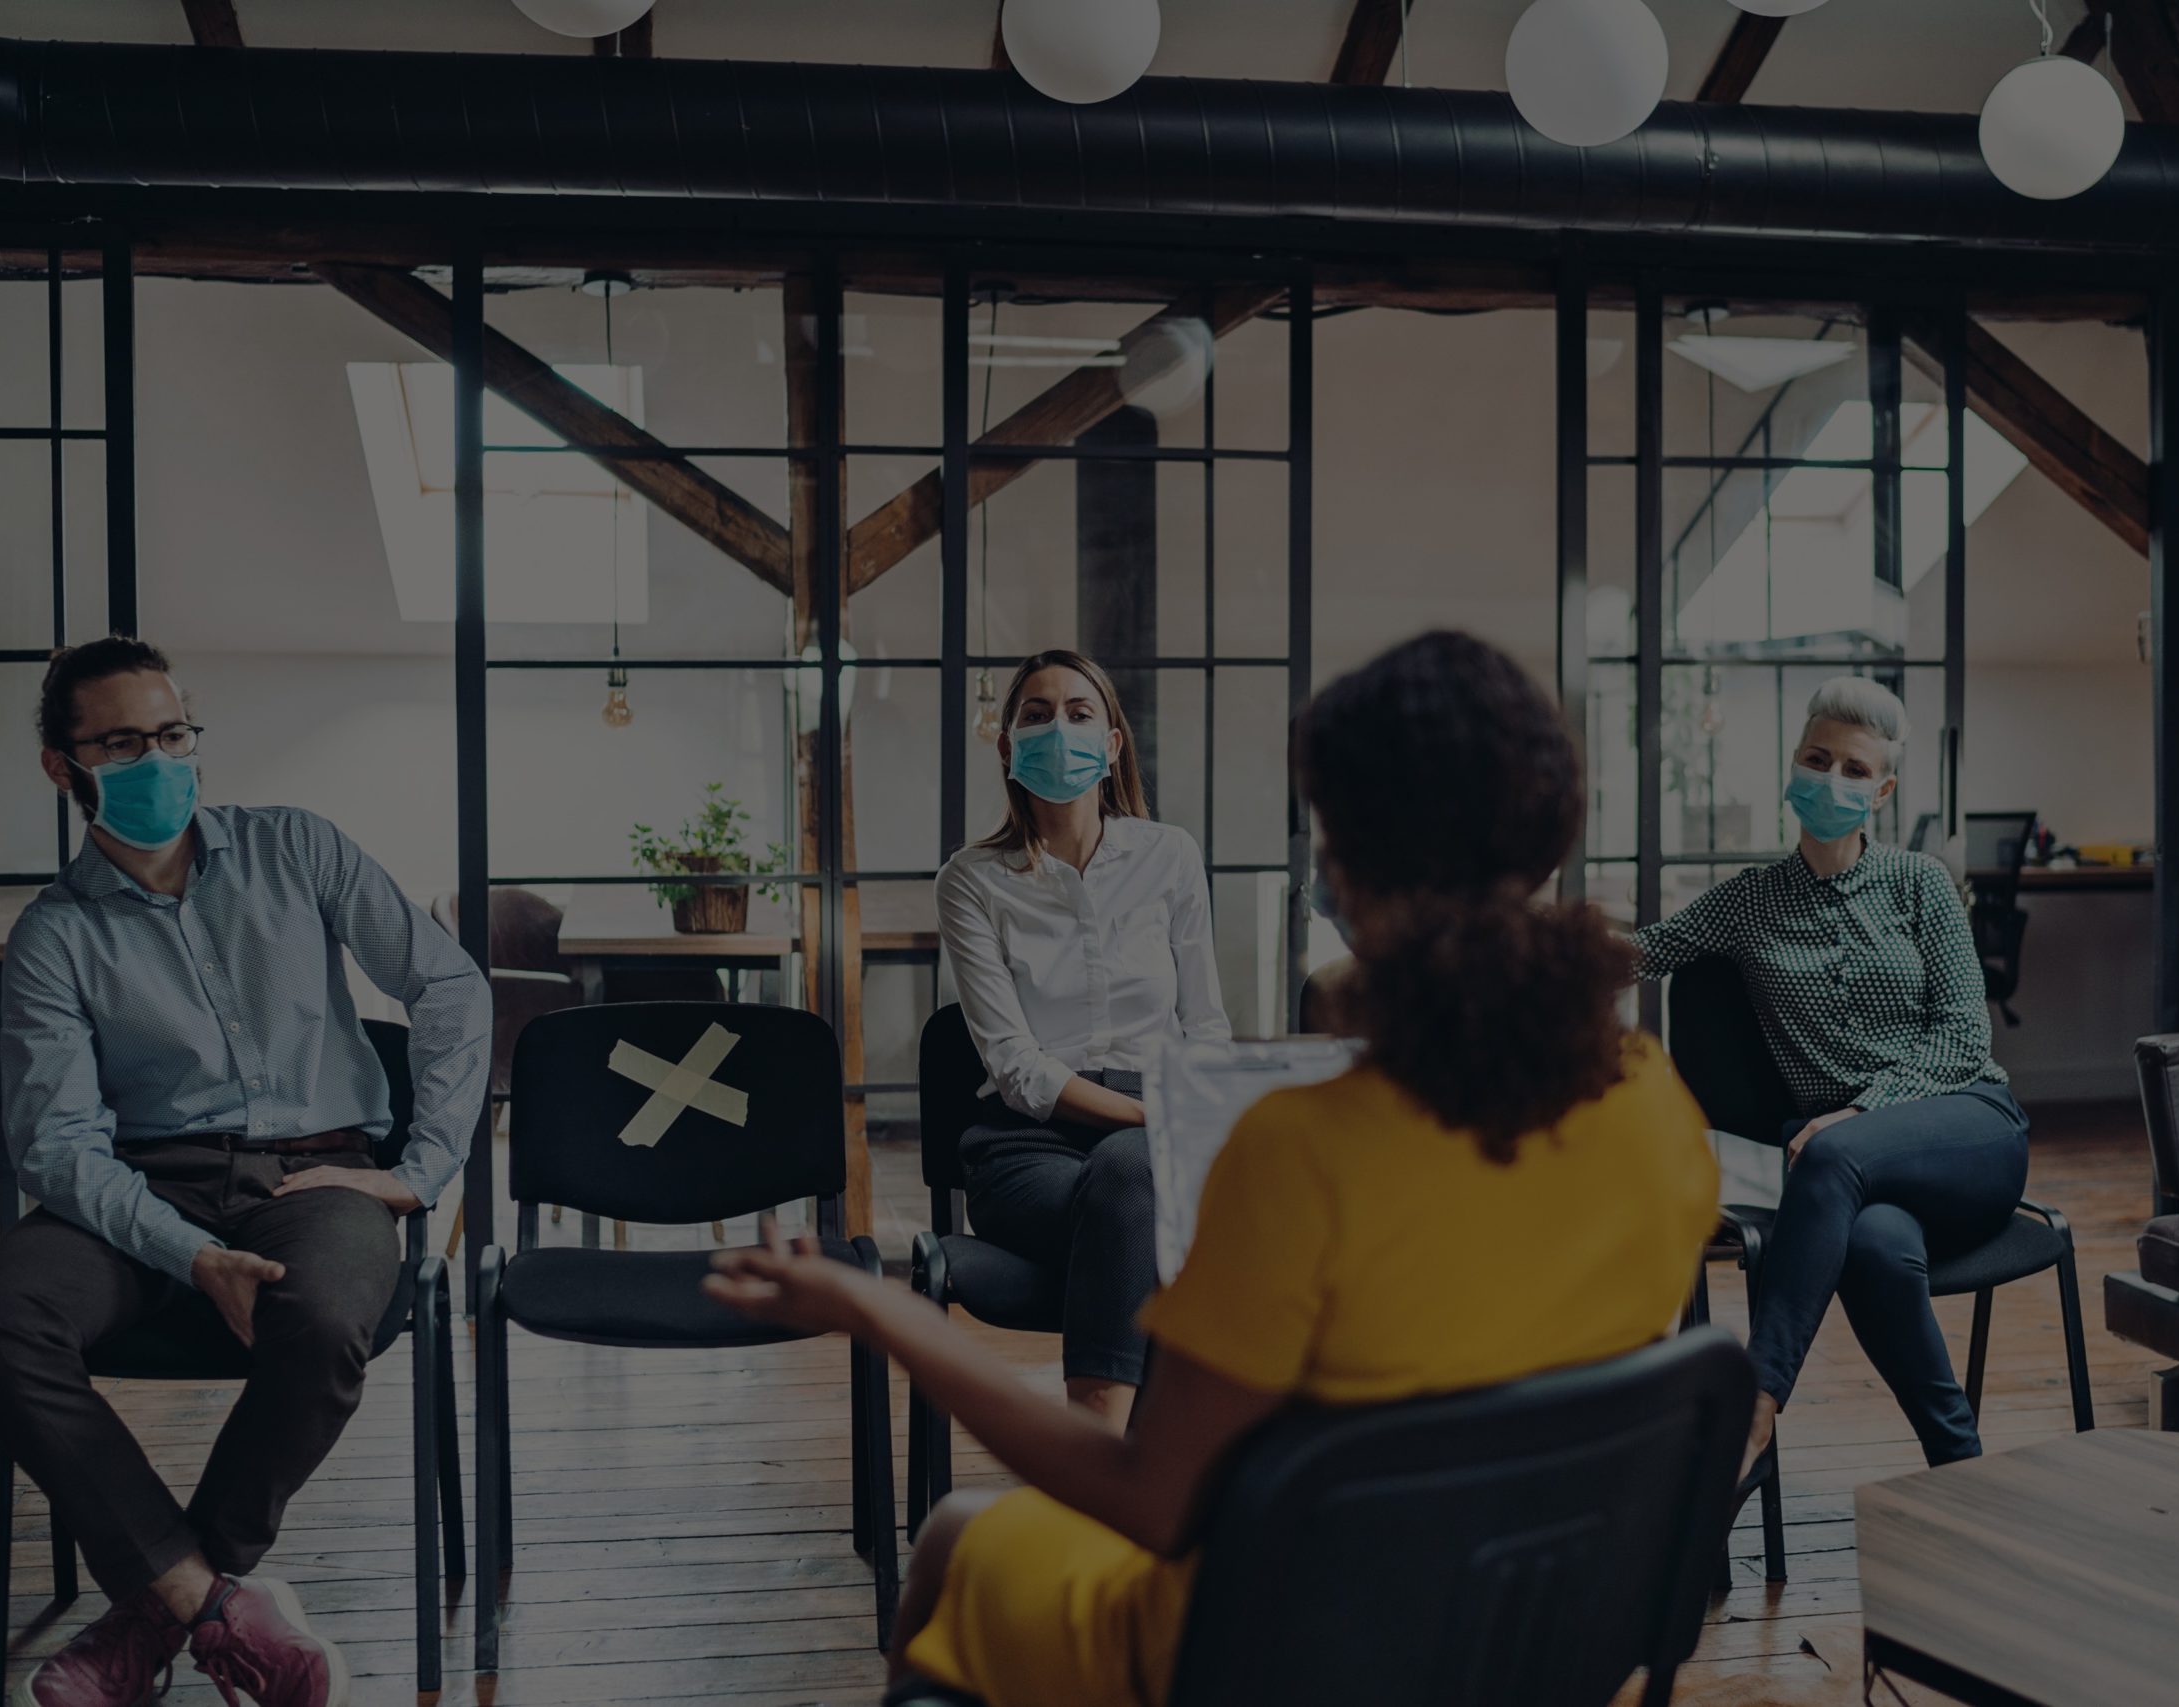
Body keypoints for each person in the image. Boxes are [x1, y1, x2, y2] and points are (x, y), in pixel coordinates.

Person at [713, 630, 1720, 1707]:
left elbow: (1152, 1503)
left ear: (1345, 870)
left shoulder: (1299, 1156)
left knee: (957, 1534)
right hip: (1540, 1642)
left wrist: (883, 1312)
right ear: (1545, 840)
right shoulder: (1655, 1105)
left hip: (1290, 1652)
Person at [0, 636, 492, 1707]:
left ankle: (156, 1612)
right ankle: (214, 1605)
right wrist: (192, 1255)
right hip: (139, 1192)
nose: (159, 760)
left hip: (320, 1174)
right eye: (123, 742)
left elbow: (452, 988)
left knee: (326, 1319)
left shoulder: (300, 849)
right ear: (63, 766)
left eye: (174, 734)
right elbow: (57, 1145)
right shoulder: (53, 936)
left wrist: (421, 1169)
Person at [1630, 675, 2027, 1483]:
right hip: (1853, 1178)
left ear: (1880, 790)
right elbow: (1641, 952)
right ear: (1793, 765)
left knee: (1828, 1154)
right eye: (1818, 758)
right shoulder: (1748, 902)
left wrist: (1860, 1109)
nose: (1832, 779)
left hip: (1968, 1127)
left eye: (1854, 769)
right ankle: (1963, 1468)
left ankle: (1754, 1407)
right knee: (1878, 1248)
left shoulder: (1920, 885)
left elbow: (1962, 1034)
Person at [933, 649, 1229, 1428]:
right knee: (1143, 1194)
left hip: (1153, 1136)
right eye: (1035, 713)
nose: (1057, 727)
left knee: (1133, 1188)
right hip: (1027, 1145)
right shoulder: (971, 879)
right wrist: (1155, 1122)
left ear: (1112, 743)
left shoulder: (1170, 856)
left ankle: (1106, 1459)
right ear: (1006, 746)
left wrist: (1194, 1121)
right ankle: (1123, 1452)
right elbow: (1017, 1067)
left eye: (1078, 711)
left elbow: (1206, 1025)